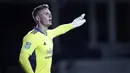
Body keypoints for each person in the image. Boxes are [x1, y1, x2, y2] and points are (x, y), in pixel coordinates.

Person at [19, 4, 86, 73]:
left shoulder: (49, 33)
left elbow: (59, 29)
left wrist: (73, 24)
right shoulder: (32, 37)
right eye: (46, 14)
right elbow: (23, 59)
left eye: (50, 14)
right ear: (38, 18)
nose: (50, 16)